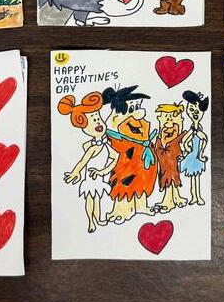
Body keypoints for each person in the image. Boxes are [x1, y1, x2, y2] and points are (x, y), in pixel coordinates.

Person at [58, 92, 118, 233]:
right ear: (84, 126)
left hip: (99, 178)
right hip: (90, 180)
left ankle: (98, 219)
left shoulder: (105, 144)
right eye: (93, 120)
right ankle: (91, 221)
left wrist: (103, 171)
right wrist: (75, 172)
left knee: (97, 199)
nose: (97, 122)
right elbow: (83, 161)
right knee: (90, 200)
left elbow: (115, 157)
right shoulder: (93, 147)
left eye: (98, 118)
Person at [103, 85, 157, 223]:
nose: (138, 112)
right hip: (127, 159)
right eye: (132, 109)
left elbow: (144, 137)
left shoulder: (141, 123)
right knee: (124, 183)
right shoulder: (120, 126)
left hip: (142, 159)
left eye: (137, 107)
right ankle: (122, 210)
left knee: (142, 182)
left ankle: (141, 206)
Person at [152, 103, 188, 213]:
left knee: (170, 176)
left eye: (172, 119)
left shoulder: (177, 136)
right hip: (163, 163)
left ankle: (169, 201)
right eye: (166, 119)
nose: (169, 123)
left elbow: (183, 143)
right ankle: (174, 198)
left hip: (171, 161)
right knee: (166, 176)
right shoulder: (159, 138)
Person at [180, 90, 209, 206]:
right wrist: (186, 148)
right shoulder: (192, 129)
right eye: (191, 110)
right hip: (192, 156)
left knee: (197, 177)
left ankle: (198, 197)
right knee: (193, 178)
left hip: (198, 157)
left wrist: (201, 153)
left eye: (197, 111)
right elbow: (184, 140)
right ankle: (194, 197)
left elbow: (205, 139)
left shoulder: (198, 129)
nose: (194, 113)